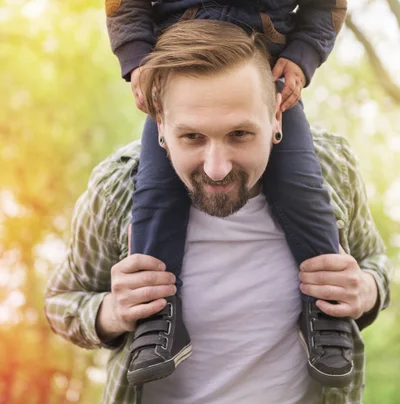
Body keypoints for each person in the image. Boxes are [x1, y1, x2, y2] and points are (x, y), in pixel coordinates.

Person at [104, 0, 351, 388]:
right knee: (157, 195)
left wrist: (302, 60)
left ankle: (326, 312)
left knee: (304, 189)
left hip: (264, 98)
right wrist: (137, 59)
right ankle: (158, 319)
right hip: (184, 92)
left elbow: (327, 7)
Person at [45, 20, 390, 404]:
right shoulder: (117, 190)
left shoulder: (333, 171)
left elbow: (377, 263)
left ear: (277, 117)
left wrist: (367, 290)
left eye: (240, 135)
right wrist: (112, 311)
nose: (216, 168)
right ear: (161, 125)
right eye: (192, 136)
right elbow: (61, 301)